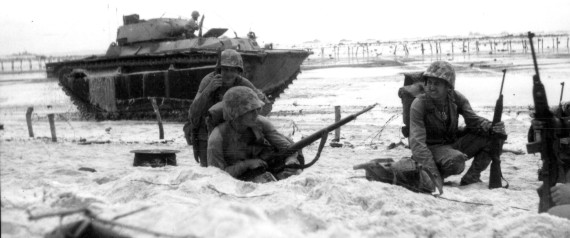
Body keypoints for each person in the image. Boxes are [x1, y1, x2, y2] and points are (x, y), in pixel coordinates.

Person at [369, 61, 507, 194]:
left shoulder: (457, 98)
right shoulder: (419, 104)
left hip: (452, 144)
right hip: (431, 149)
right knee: (456, 160)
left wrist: (492, 127)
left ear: (448, 86)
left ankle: (472, 177)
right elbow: (417, 144)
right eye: (429, 82)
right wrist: (434, 176)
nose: (431, 87)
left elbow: (474, 121)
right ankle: (430, 174)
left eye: (437, 83)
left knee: (495, 136)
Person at [188, 49, 267, 167]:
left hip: (232, 133)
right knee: (210, 171)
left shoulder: (242, 82)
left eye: (233, 70)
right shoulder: (208, 81)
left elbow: (265, 105)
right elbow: (193, 114)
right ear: (219, 70)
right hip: (206, 132)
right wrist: (208, 90)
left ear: (238, 71)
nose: (229, 74)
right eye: (225, 69)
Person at [207, 86, 300, 181]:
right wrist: (246, 165)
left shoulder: (261, 123)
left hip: (266, 168)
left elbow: (288, 148)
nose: (256, 114)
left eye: (257, 109)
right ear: (236, 114)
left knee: (296, 173)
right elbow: (217, 176)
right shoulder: (217, 138)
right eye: (251, 111)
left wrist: (290, 160)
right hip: (237, 179)